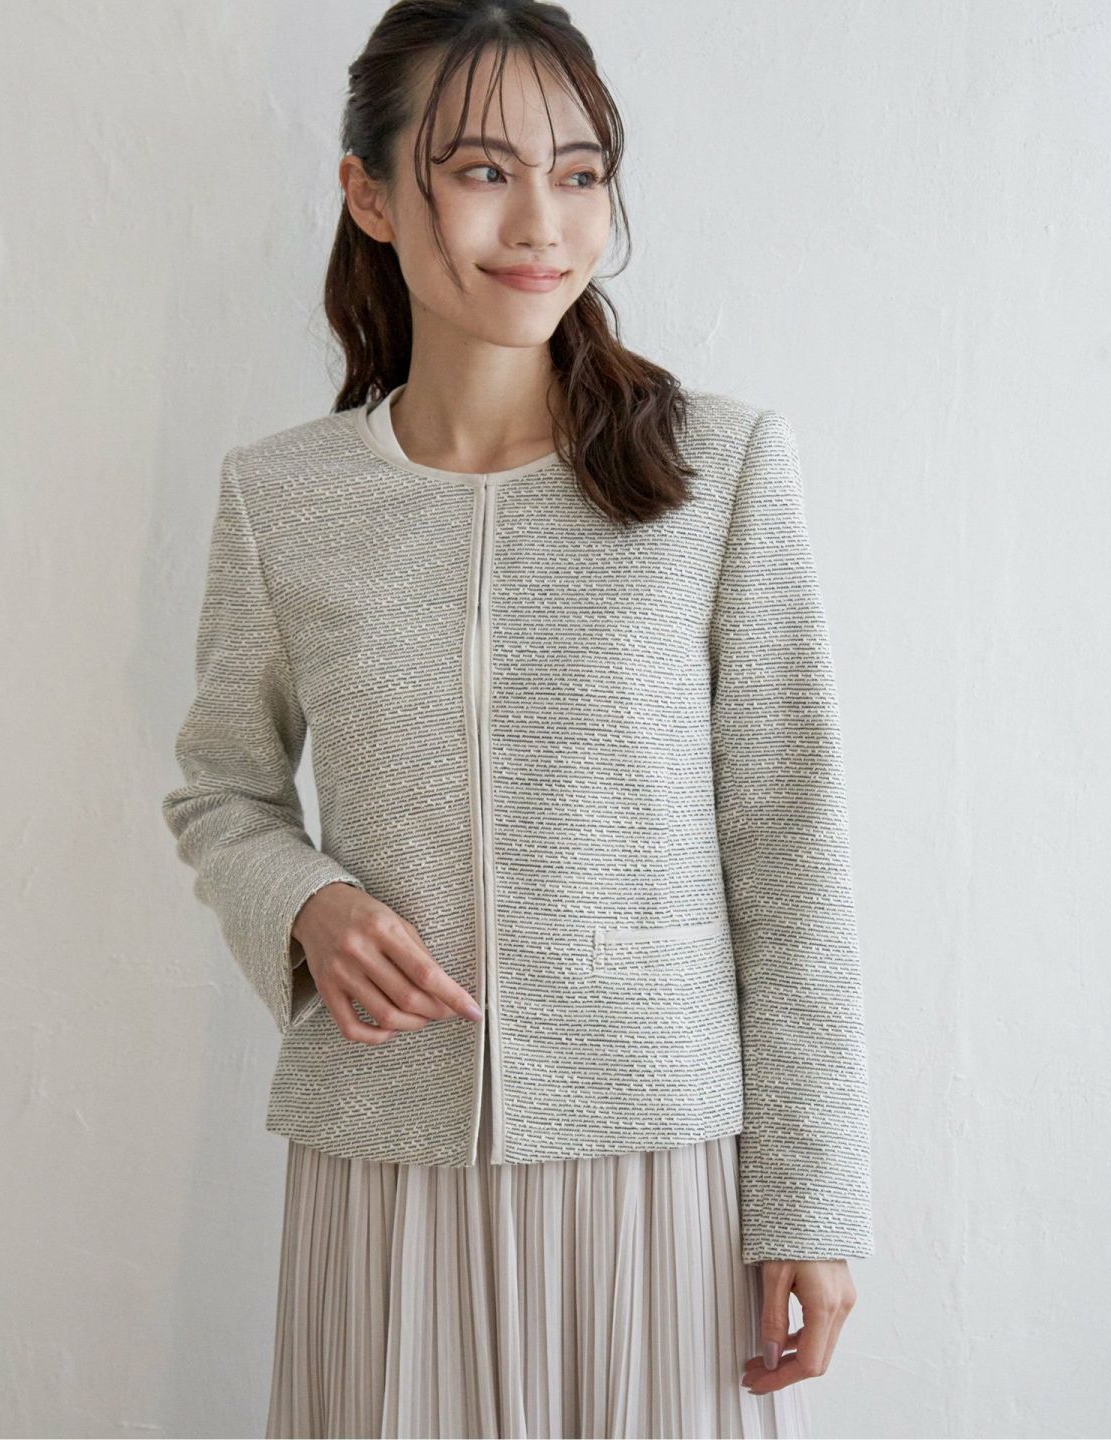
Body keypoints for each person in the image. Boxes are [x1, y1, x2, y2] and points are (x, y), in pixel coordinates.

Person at [161, 2, 874, 1436]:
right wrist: (304, 901)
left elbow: (790, 848)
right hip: (385, 1150)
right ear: (371, 193)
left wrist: (810, 1195)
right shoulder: (284, 499)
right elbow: (221, 789)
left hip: (654, 1156)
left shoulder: (716, 471)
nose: (543, 222)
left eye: (581, 172)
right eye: (482, 170)